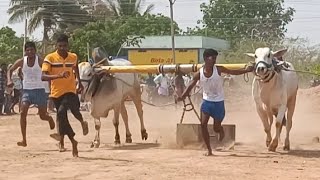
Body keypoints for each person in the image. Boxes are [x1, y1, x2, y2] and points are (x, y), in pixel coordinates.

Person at [178, 49, 254, 156]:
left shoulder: (218, 69)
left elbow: (234, 72)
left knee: (216, 128)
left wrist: (246, 70)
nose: (214, 60)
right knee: (203, 124)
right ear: (205, 59)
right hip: (207, 102)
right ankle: (209, 150)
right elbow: (190, 85)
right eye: (212, 58)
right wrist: (182, 96)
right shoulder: (199, 73)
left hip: (218, 103)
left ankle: (220, 130)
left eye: (215, 58)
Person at [41, 34, 88, 157]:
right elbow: (43, 76)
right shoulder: (50, 58)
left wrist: (80, 83)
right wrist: (58, 76)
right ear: (56, 46)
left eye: (65, 46)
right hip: (56, 93)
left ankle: (61, 135)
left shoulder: (73, 57)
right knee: (63, 118)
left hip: (70, 91)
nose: (62, 48)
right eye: (60, 46)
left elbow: (75, 68)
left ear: (68, 45)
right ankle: (73, 141)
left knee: (62, 112)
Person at [7, 41, 55, 147]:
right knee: (23, 112)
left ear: (35, 50)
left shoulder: (41, 61)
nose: (30, 52)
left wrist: (51, 88)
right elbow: (10, 70)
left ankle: (49, 118)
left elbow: (50, 73)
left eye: (32, 50)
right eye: (28, 50)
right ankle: (24, 139)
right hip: (27, 90)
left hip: (40, 90)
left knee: (42, 115)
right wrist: (9, 81)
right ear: (25, 52)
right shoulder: (21, 61)